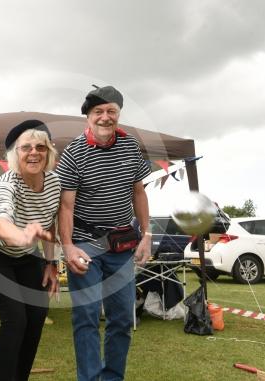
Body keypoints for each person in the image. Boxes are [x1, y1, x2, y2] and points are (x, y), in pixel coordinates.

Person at [56, 85, 152, 381]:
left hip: (123, 244)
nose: (105, 117)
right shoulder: (73, 152)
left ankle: (112, 377)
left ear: (118, 115)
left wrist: (147, 234)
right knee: (85, 316)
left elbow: (139, 192)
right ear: (88, 116)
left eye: (112, 111)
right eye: (99, 111)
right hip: (86, 243)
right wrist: (68, 246)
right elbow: (66, 206)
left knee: (122, 318)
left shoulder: (131, 146)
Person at [0, 119, 60, 381]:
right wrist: (22, 235)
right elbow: (0, 222)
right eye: (26, 148)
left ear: (48, 152)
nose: (34, 152)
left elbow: (52, 221)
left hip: (26, 255)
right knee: (15, 319)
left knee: (37, 315)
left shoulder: (55, 183)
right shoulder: (7, 182)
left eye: (40, 147)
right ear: (15, 154)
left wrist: (51, 263)